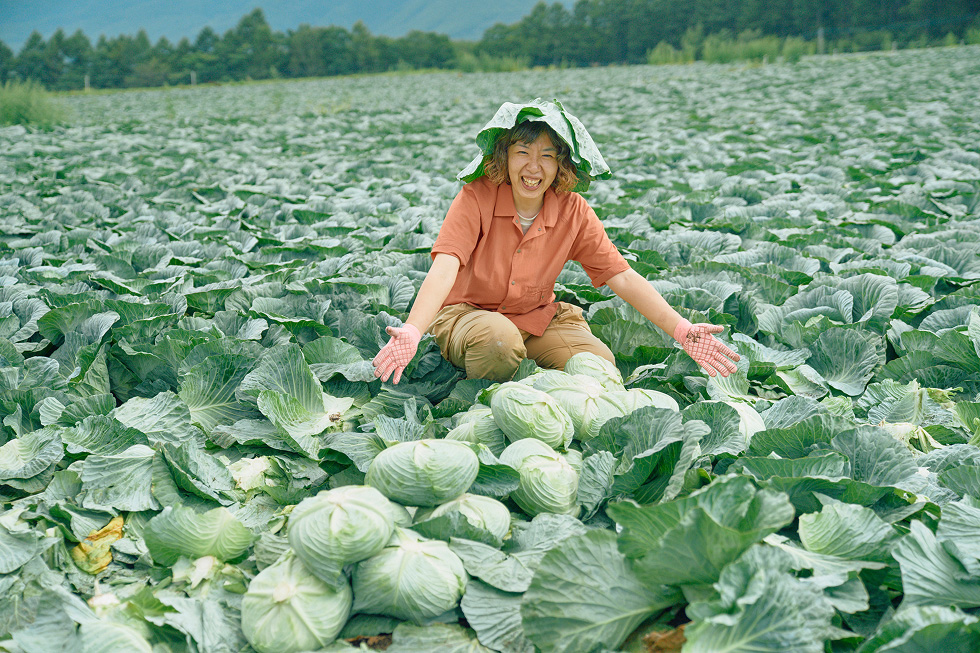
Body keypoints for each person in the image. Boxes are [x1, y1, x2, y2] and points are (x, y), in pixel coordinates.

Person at [372, 99, 739, 385]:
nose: (534, 167)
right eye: (522, 153)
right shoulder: (476, 197)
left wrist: (681, 329)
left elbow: (622, 276)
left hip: (535, 319)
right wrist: (413, 330)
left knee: (597, 367)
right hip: (468, 316)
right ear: (503, 157)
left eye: (547, 156)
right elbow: (445, 267)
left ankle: (530, 382)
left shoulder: (573, 211)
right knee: (498, 343)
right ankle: (482, 394)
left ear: (562, 164)